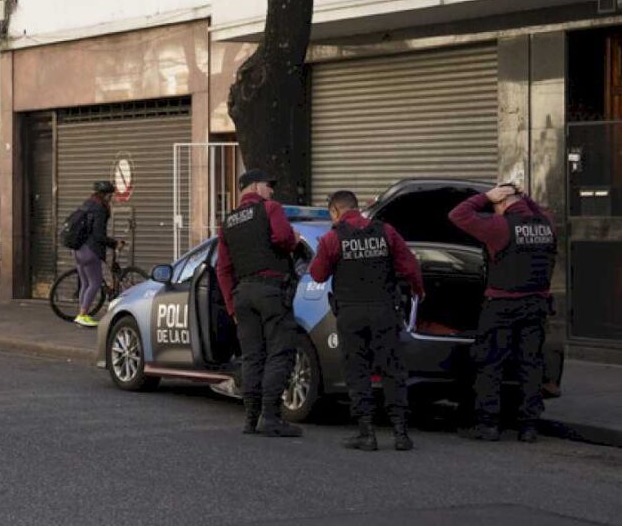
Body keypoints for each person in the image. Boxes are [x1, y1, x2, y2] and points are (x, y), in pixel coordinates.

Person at [308, 190, 425, 451]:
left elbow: (317, 275)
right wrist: (419, 291)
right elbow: (410, 266)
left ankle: (366, 433)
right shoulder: (386, 231)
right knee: (392, 370)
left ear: (335, 212)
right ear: (356, 208)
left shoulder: (332, 238)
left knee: (357, 371)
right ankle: (400, 433)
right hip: (384, 310)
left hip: (351, 313)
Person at [448, 183, 557, 443]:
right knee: (530, 365)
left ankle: (488, 425)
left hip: (502, 305)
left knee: (491, 364)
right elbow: (536, 209)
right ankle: (529, 427)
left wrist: (485, 196)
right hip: (536, 304)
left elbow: (457, 215)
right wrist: (520, 195)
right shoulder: (547, 223)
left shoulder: (500, 227)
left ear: (502, 203)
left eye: (495, 206)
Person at [216, 169, 302, 437]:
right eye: (269, 185)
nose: (272, 190)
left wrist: (231, 306)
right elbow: (281, 238)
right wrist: (295, 240)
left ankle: (250, 418)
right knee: (280, 353)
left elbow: (223, 269)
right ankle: (272, 417)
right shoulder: (270, 209)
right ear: (254, 186)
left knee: (252, 357)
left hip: (243, 295)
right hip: (271, 290)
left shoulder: (228, 221)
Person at [71, 181, 123, 329]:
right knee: (94, 283)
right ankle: (83, 315)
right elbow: (99, 235)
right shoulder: (100, 209)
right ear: (106, 195)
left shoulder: (87, 204)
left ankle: (81, 315)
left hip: (78, 249)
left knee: (85, 283)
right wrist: (114, 243)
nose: (111, 198)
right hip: (90, 251)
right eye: (111, 195)